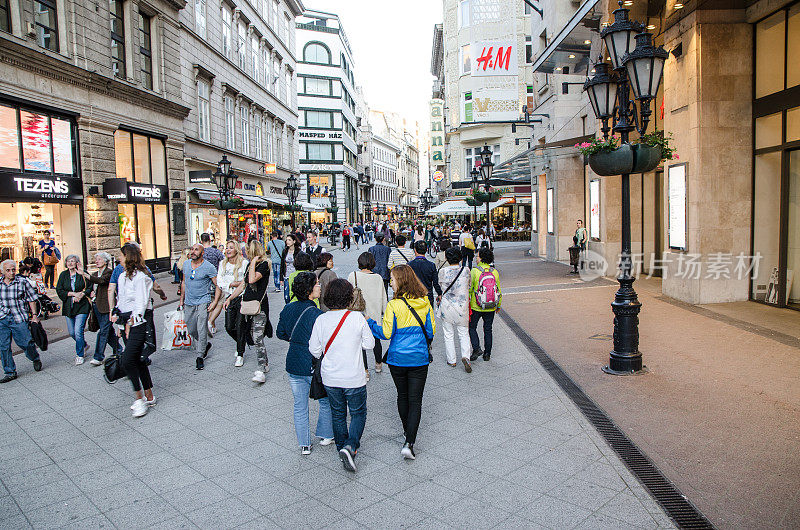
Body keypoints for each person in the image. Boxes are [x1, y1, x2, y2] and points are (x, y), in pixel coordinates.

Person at [367, 265, 434, 460]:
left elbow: (386, 333)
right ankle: (409, 442)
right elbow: (430, 331)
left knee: (402, 396)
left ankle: (407, 432)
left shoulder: (394, 305)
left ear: (401, 281)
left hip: (397, 359)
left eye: (393, 280)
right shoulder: (424, 302)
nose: (391, 283)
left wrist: (370, 322)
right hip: (419, 358)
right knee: (416, 400)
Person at [309, 279, 374, 472]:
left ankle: (341, 448)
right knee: (358, 413)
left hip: (330, 377)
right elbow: (369, 345)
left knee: (338, 414)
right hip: (354, 376)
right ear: (349, 297)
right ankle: (351, 446)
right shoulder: (356, 318)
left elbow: (314, 349)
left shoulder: (321, 319)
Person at [276, 272, 334, 455]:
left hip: (293, 362)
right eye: (317, 284)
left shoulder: (288, 309)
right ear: (309, 290)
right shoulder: (318, 315)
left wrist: (297, 339)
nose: (320, 286)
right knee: (324, 400)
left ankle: (304, 444)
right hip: (312, 364)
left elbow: (280, 333)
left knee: (299, 405)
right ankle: (326, 434)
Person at [111, 245, 155, 418]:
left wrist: (130, 324)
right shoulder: (122, 276)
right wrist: (118, 320)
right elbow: (121, 301)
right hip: (125, 322)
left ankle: (139, 399)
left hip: (138, 323)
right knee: (137, 360)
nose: (118, 259)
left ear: (128, 257)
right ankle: (149, 395)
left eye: (121, 256)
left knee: (128, 360)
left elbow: (141, 304)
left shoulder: (141, 278)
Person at [226, 239, 272, 383]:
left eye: (247, 249)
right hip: (246, 305)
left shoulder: (264, 265)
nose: (245, 251)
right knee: (245, 332)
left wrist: (252, 263)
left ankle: (261, 369)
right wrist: (230, 298)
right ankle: (264, 362)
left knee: (257, 337)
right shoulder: (251, 265)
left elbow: (252, 280)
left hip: (259, 307)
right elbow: (243, 285)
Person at [0, 260, 42, 383]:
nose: (11, 272)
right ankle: (10, 372)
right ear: (2, 271)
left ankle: (35, 357)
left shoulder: (22, 282)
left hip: (19, 318)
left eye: (13, 270)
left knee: (26, 343)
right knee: (3, 346)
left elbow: (32, 299)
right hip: (2, 319)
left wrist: (34, 316)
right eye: (8, 270)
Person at [179, 243, 219, 370]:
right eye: (192, 249)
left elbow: (218, 285)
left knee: (201, 328)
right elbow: (184, 282)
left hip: (203, 300)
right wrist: (181, 300)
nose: (193, 251)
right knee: (191, 329)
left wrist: (215, 302)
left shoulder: (209, 267)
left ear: (202, 253)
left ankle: (200, 356)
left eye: (196, 250)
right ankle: (205, 344)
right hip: (189, 301)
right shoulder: (186, 264)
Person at [348, 252, 388, 374]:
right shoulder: (378, 278)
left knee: (360, 342)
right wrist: (385, 315)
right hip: (374, 315)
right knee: (376, 340)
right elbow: (384, 298)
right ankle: (378, 364)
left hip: (358, 314)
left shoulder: (353, 275)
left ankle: (365, 370)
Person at [210, 241, 248, 364]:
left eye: (231, 248)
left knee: (240, 325)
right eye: (226, 248)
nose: (227, 250)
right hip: (228, 298)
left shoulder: (244, 263)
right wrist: (232, 284)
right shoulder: (222, 264)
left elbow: (245, 282)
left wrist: (238, 284)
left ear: (236, 250)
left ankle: (240, 354)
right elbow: (219, 282)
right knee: (229, 327)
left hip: (242, 297)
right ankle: (241, 342)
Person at [78, 251, 119, 365]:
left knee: (103, 332)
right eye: (96, 259)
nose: (97, 261)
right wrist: (90, 292)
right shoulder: (95, 274)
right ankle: (119, 349)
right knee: (108, 331)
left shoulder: (109, 272)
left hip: (107, 306)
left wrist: (85, 274)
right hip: (96, 305)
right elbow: (91, 285)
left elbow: (101, 281)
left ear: (105, 261)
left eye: (99, 259)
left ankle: (98, 356)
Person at [437, 247, 472, 372]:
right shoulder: (466, 270)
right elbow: (469, 285)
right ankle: (466, 356)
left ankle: (452, 360)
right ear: (461, 258)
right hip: (462, 307)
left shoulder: (443, 271)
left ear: (446, 258)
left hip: (447, 307)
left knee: (448, 334)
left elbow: (441, 286)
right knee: (463, 333)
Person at [55, 255, 93, 365]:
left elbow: (90, 286)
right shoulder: (63, 275)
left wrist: (82, 294)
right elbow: (59, 290)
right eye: (69, 261)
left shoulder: (82, 272)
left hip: (82, 306)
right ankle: (84, 345)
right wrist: (72, 294)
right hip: (69, 306)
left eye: (73, 261)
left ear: (77, 262)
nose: (71, 263)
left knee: (78, 331)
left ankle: (80, 355)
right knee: (72, 333)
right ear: (66, 263)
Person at [469, 247, 502, 362]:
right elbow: (498, 290)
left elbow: (470, 288)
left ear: (481, 258)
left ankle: (476, 348)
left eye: (477, 256)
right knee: (488, 329)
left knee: (472, 327)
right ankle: (487, 354)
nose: (476, 258)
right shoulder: (494, 272)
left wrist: (468, 301)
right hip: (491, 305)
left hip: (476, 305)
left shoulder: (474, 271)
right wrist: (498, 305)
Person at [407, 241, 442, 307]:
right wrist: (439, 293)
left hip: (413, 296)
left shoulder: (409, 265)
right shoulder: (431, 265)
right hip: (428, 296)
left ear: (415, 250)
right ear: (426, 250)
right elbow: (435, 283)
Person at [280, 233, 301, 298]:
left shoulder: (298, 252)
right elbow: (282, 264)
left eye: (289, 240)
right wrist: (281, 278)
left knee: (295, 295)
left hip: (295, 276)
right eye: (286, 240)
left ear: (294, 241)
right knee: (287, 296)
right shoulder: (285, 251)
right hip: (287, 276)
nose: (287, 242)